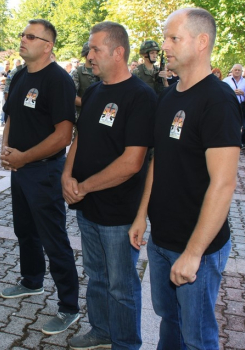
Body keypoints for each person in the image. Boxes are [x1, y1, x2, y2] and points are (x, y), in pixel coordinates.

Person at [128, 8, 241, 350]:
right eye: (165, 38)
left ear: (202, 42)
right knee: (170, 321)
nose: (165, 46)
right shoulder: (168, 96)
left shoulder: (218, 100)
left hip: (198, 248)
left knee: (198, 337)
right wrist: (140, 216)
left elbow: (223, 184)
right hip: (162, 241)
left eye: (174, 38)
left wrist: (193, 253)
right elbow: (158, 161)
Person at [63, 21, 156, 350]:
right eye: (89, 49)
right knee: (97, 276)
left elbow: (133, 163)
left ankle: (126, 343)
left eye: (95, 49)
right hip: (87, 208)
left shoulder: (142, 96)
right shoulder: (92, 91)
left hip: (119, 212)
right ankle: (101, 331)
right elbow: (80, 137)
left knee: (122, 285)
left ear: (118, 52)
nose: (89, 56)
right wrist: (66, 175)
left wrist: (84, 186)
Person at [0, 19, 79, 336]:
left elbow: (64, 135)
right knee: (25, 231)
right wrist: (6, 149)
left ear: (47, 46)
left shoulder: (58, 81)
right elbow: (11, 116)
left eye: (31, 36)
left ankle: (69, 306)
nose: (23, 39)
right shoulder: (20, 75)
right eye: (22, 34)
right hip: (20, 169)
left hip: (44, 171)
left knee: (53, 238)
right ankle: (32, 280)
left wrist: (24, 157)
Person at [223, 64, 245, 149]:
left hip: (241, 105)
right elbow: (221, 92)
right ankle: (227, 141)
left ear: (242, 72)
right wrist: (232, 92)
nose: (237, 71)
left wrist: (243, 93)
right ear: (232, 71)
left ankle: (240, 142)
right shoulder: (226, 80)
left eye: (239, 70)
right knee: (229, 122)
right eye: (236, 70)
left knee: (242, 125)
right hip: (229, 104)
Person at [71, 42, 100, 119]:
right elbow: (72, 96)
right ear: (85, 55)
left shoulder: (103, 72)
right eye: (89, 53)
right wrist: (91, 103)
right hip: (82, 116)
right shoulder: (77, 72)